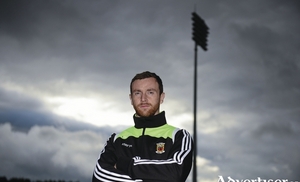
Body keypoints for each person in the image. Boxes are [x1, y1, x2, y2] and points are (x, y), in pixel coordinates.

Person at [92, 71, 194, 182]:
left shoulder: (180, 136)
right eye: (137, 93)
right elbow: (99, 175)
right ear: (131, 99)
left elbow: (176, 173)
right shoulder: (117, 139)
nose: (143, 99)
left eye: (150, 92)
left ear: (161, 97)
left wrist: (125, 164)